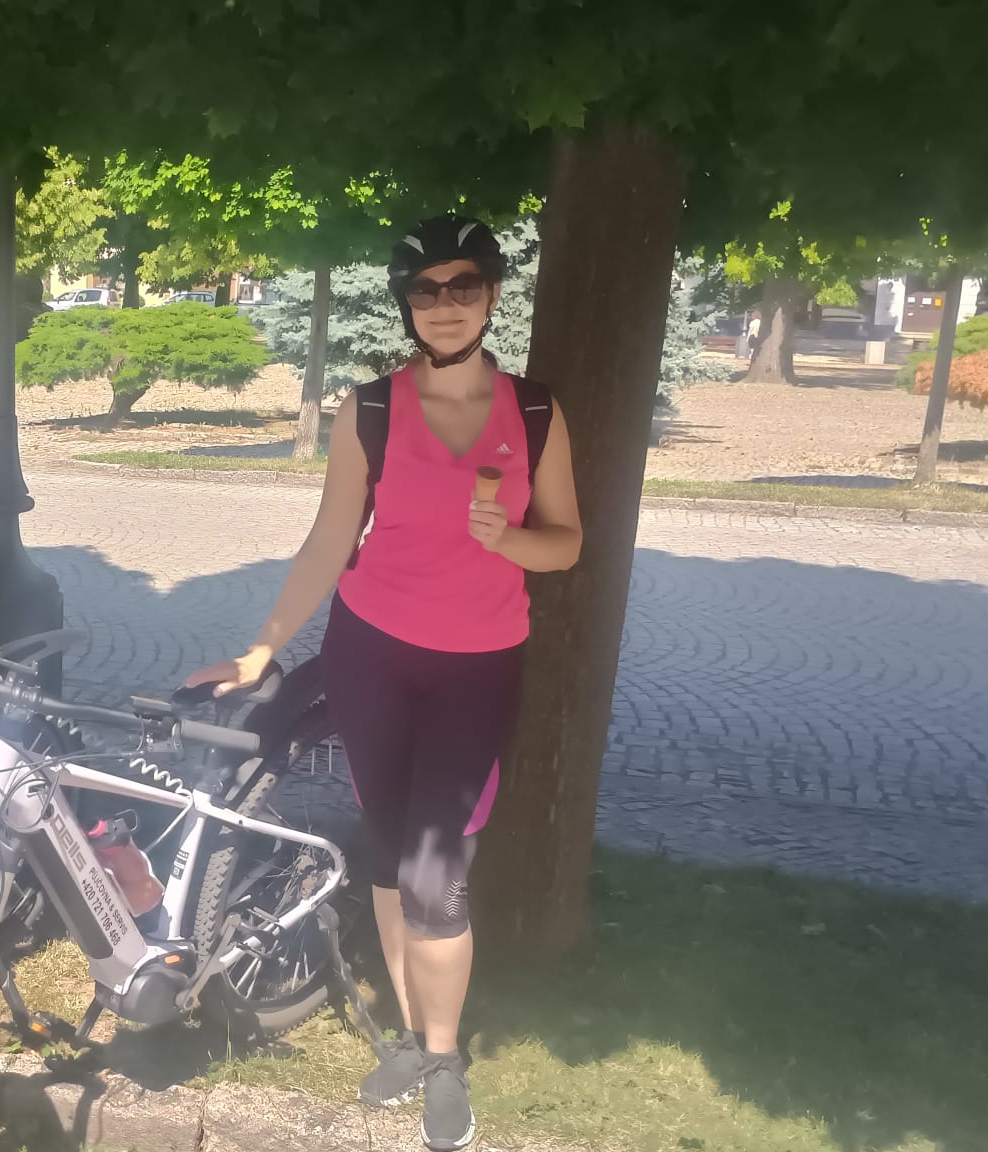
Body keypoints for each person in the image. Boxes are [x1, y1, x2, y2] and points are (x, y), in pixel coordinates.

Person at [186, 215, 582, 1151]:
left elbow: (566, 544)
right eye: (426, 290)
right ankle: (411, 1036)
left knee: (438, 874)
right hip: (373, 652)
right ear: (407, 305)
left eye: (464, 287)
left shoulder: (535, 413)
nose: (445, 306)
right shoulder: (367, 408)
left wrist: (507, 540)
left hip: (478, 666)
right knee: (390, 849)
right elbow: (333, 537)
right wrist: (262, 647)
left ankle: (444, 1062)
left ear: (491, 296)